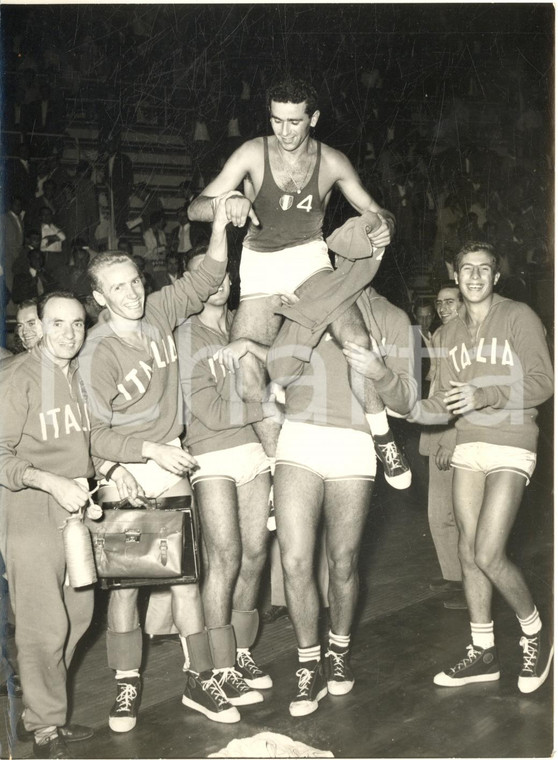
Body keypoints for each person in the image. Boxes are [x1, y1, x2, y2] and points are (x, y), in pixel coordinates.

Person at [188, 78, 410, 489]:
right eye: (277, 121)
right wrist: (227, 202)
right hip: (260, 263)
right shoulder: (253, 152)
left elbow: (378, 213)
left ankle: (384, 437)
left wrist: (386, 227)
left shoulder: (333, 161)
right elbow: (194, 207)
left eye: (294, 122)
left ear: (314, 118)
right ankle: (276, 467)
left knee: (356, 339)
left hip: (309, 258)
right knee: (245, 365)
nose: (285, 132)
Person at [78, 193, 234, 733]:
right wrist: (148, 452)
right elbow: (94, 434)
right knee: (128, 588)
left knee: (186, 581)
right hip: (125, 472)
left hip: (170, 467)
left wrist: (219, 222)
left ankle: (200, 680)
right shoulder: (95, 353)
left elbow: (207, 275)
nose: (132, 293)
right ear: (99, 296)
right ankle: (125, 688)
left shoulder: (160, 312)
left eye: (135, 281)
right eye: (118, 287)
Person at [409, 242, 554, 693]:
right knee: (469, 552)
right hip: (469, 441)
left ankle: (536, 632)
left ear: (496, 276)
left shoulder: (518, 316)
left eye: (483, 270)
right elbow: (443, 400)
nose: (474, 277)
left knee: (489, 551)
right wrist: (407, 406)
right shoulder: (448, 334)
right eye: (466, 269)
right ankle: (483, 651)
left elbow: (544, 381)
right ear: (455, 272)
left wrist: (486, 395)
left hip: (511, 440)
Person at [269, 283, 417, 716]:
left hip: (356, 442)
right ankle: (307, 664)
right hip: (301, 434)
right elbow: (278, 371)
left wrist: (378, 371)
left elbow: (407, 399)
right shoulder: (306, 298)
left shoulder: (393, 317)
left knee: (343, 561)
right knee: (294, 560)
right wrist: (309, 325)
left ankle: (337, 651)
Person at [0, 292, 136, 759]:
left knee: (78, 616)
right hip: (29, 508)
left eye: (77, 324)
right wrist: (48, 481)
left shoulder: (78, 375)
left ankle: (44, 710)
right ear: (38, 324)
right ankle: (42, 728)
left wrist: (115, 468)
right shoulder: (18, 377)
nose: (69, 334)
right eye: (57, 324)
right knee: (43, 624)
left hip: (75, 508)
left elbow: (89, 437)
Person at [175, 247, 275, 721]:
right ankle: (216, 664)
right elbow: (210, 413)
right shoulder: (184, 334)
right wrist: (267, 408)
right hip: (211, 452)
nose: (218, 282)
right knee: (226, 555)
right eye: (205, 275)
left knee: (256, 555)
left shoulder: (243, 323)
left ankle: (238, 652)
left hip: (253, 449)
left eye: (223, 276)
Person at [419, 284, 465, 609]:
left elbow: (461, 393)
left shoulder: (462, 334)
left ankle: (464, 583)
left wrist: (451, 438)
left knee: (450, 513)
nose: (442, 307)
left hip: (454, 436)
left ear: (463, 303)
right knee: (439, 512)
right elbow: (436, 383)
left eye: (450, 302)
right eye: (439, 303)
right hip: (438, 433)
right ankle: (454, 577)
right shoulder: (440, 334)